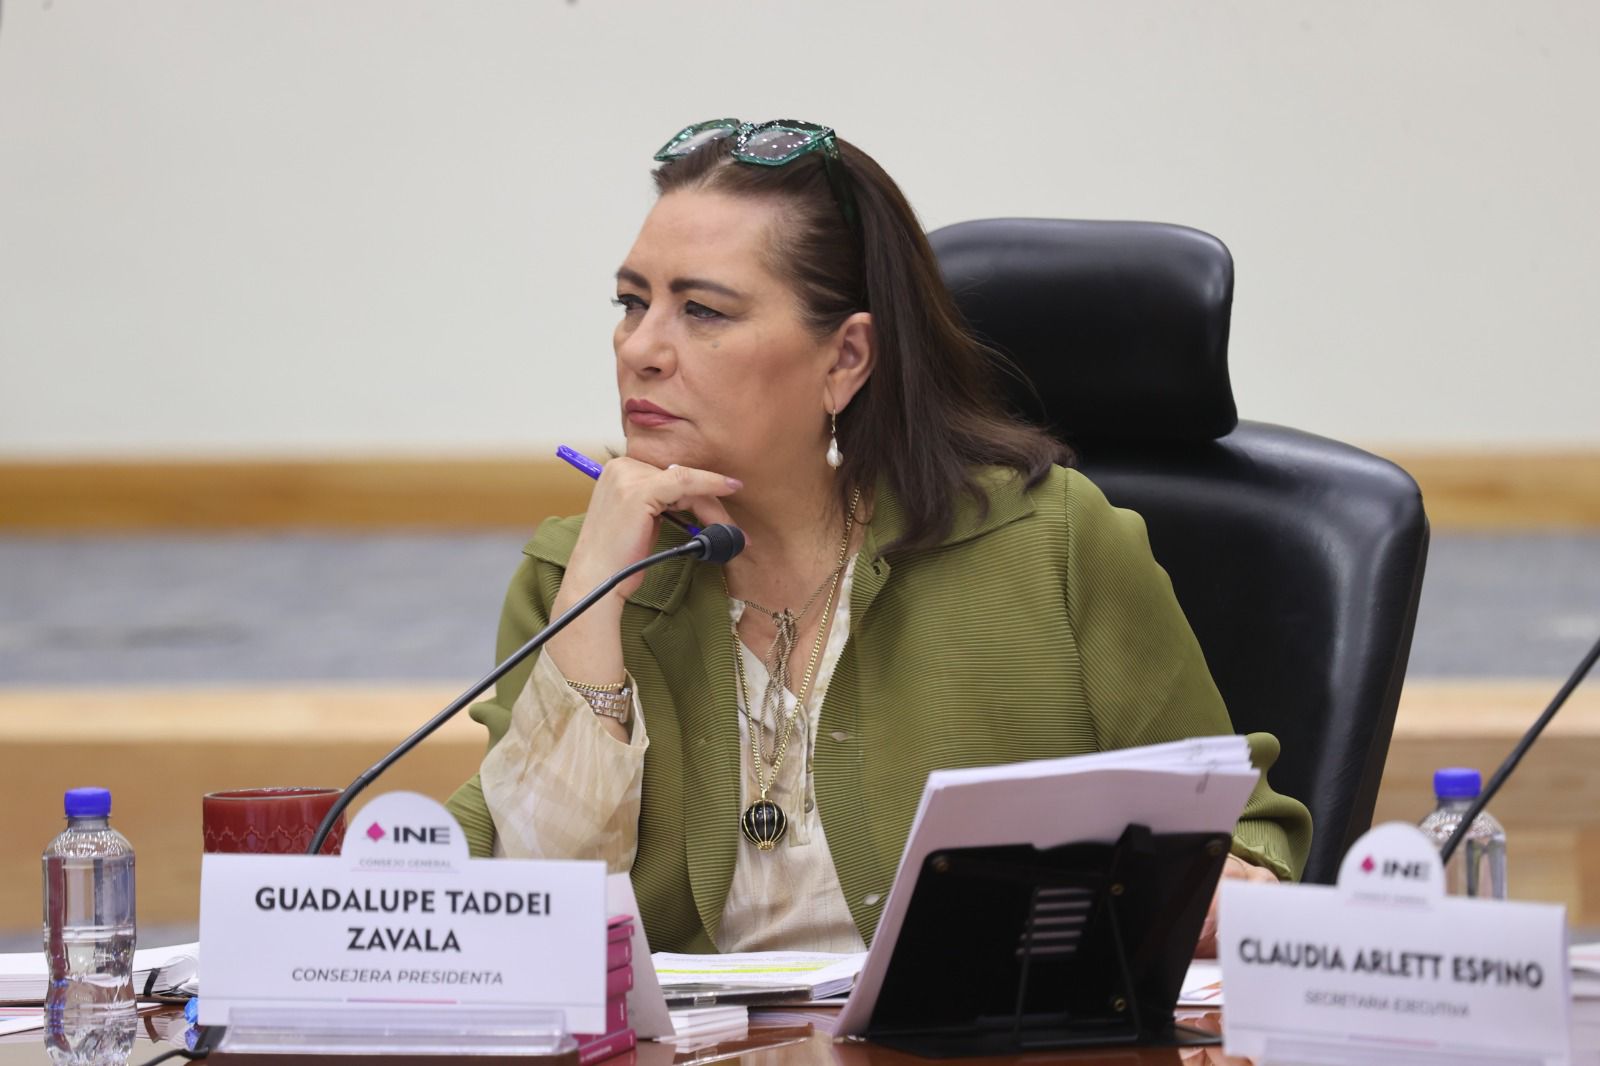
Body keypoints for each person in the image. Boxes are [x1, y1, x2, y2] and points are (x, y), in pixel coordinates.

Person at [446, 118, 1310, 956]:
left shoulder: (1051, 543)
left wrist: (1224, 882)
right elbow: (528, 922)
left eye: (702, 311)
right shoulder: (581, 572)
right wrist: (592, 606)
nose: (641, 347)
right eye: (632, 302)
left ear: (846, 359)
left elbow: (1240, 826)